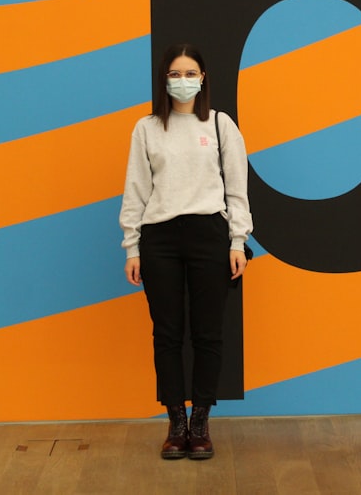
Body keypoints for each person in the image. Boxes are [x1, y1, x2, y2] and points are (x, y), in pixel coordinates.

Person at [119, 43, 253, 460]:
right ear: (164, 80)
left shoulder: (220, 126)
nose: (182, 81)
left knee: (208, 332)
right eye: (174, 74)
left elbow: (236, 188)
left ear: (203, 78)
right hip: (159, 238)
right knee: (167, 333)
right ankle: (176, 421)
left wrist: (236, 240)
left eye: (189, 72)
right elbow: (136, 190)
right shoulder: (146, 128)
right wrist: (132, 247)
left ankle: (201, 422)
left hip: (209, 234)